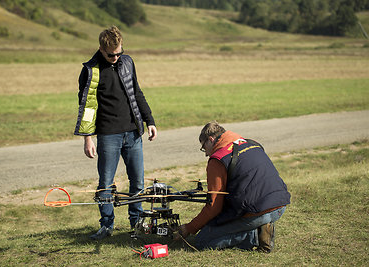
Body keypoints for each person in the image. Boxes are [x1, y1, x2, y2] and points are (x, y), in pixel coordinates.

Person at [74, 26, 157, 240]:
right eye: (111, 54)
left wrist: (149, 121)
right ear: (101, 49)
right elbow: (87, 107)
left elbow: (136, 91)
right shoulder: (90, 71)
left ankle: (136, 223)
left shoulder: (127, 62)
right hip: (108, 135)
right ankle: (107, 225)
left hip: (133, 133)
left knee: (137, 181)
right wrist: (87, 139)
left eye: (119, 52)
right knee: (106, 183)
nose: (116, 57)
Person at [175, 121, 290, 252]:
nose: (206, 153)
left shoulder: (217, 160)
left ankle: (254, 235)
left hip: (257, 211)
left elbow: (214, 207)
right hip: (280, 205)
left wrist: (189, 228)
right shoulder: (252, 143)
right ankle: (261, 226)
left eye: (204, 147)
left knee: (202, 241)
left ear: (211, 140)